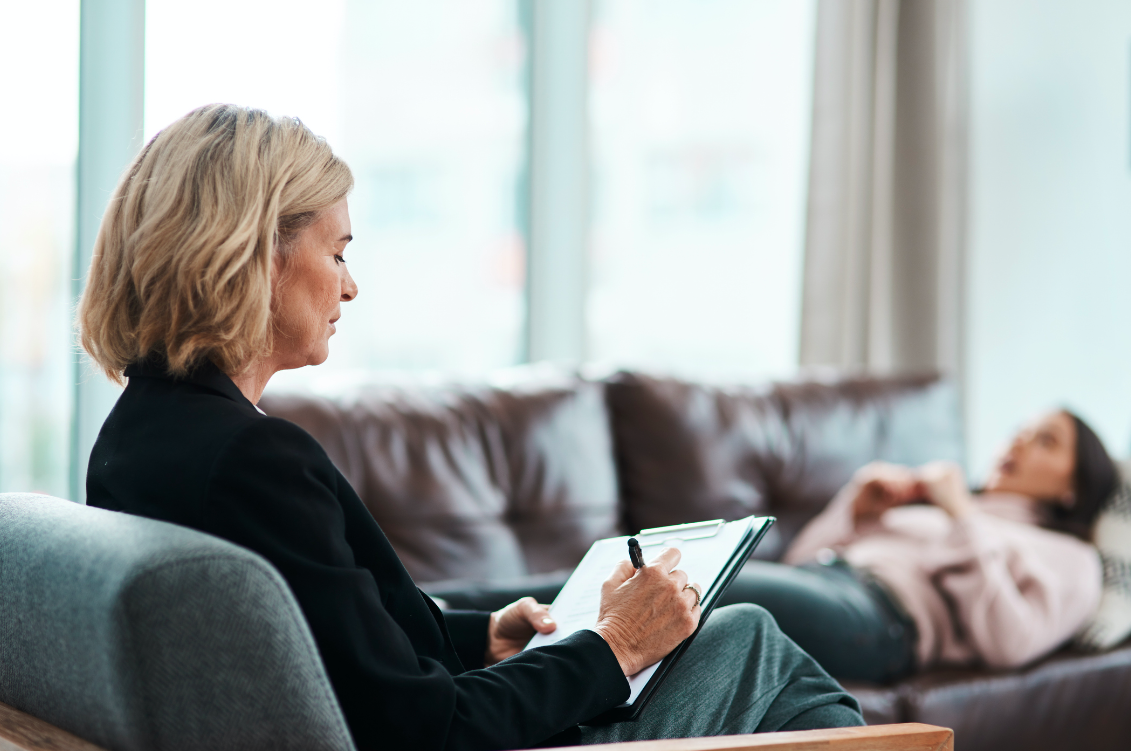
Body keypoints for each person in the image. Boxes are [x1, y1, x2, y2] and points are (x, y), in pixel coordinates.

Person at [78, 104, 862, 751]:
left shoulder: (138, 437)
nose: (350, 286)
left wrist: (482, 634)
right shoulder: (253, 461)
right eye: (338, 252)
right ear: (257, 258)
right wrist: (615, 645)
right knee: (749, 638)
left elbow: (333, 648)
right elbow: (423, 728)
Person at [722, 410, 1115, 684]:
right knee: (700, 589)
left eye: (1045, 440)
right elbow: (797, 564)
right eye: (1020, 430)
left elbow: (1007, 645)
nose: (1019, 442)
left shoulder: (1072, 558)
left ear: (1073, 488)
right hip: (826, 583)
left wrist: (961, 514)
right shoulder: (941, 508)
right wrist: (855, 507)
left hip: (878, 618)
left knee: (702, 583)